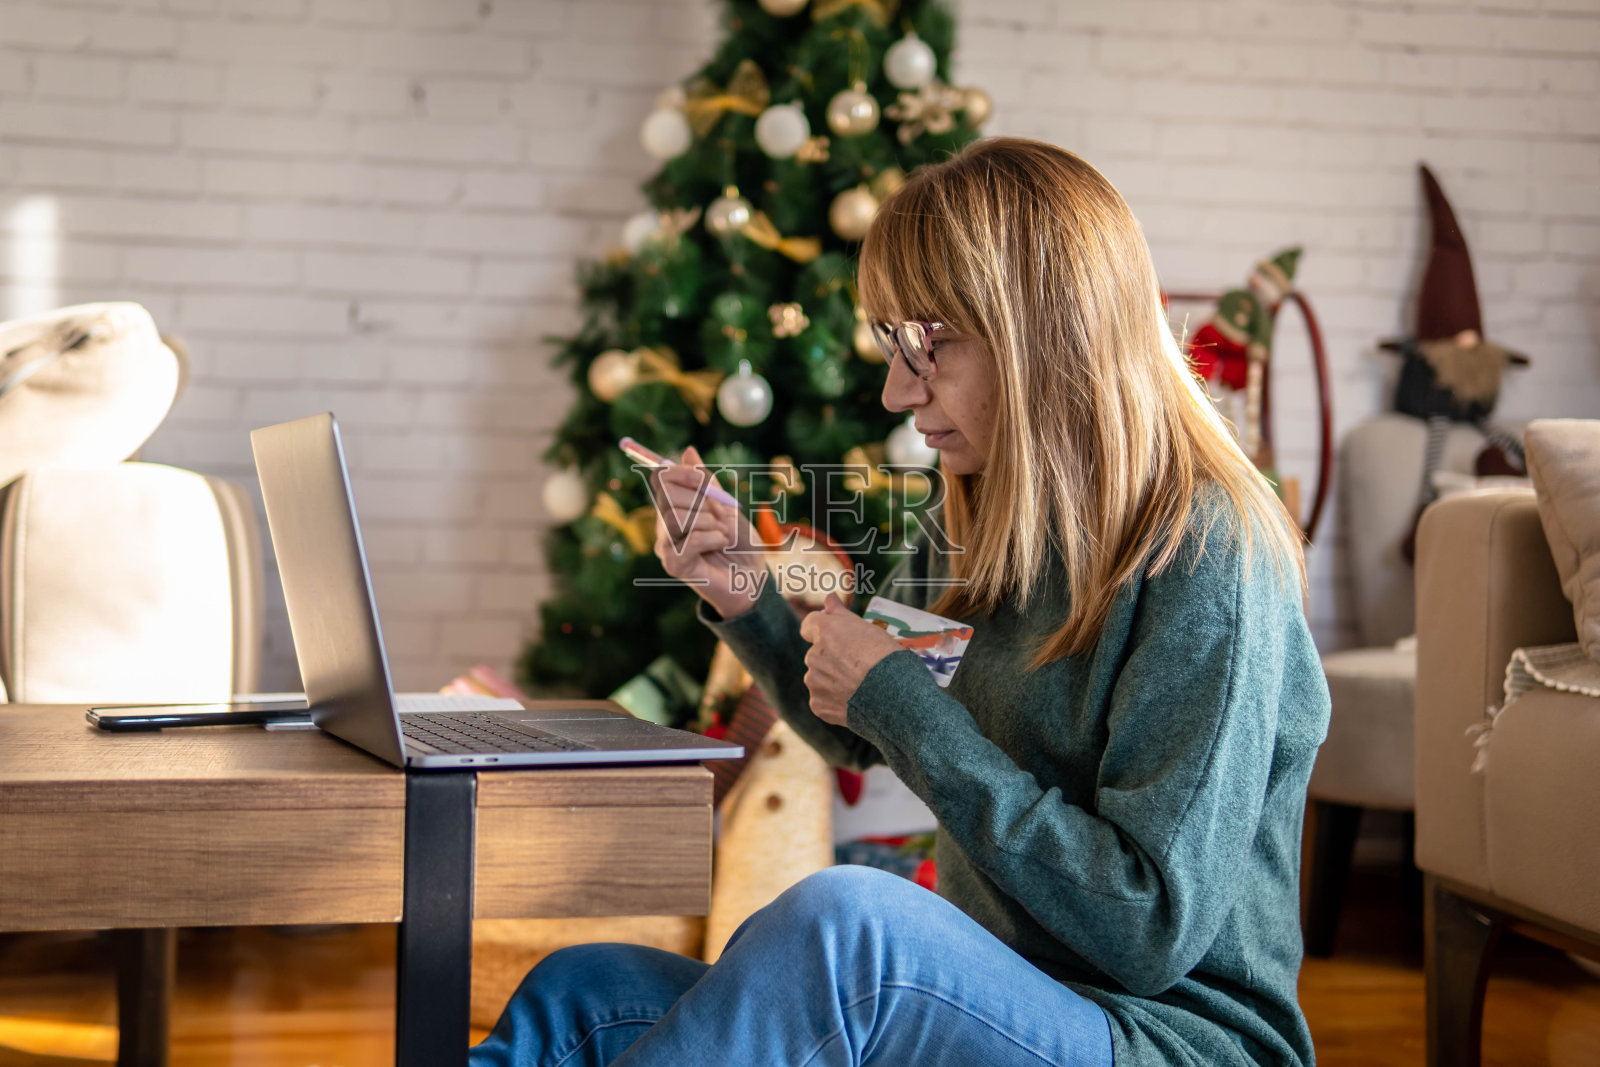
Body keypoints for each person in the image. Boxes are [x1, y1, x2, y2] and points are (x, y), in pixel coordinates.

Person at [472, 137, 1330, 1067]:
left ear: (1042, 329)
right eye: (891, 345)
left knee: (852, 929)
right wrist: (747, 593)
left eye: (926, 344)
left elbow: (1149, 925)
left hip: (1166, 1036)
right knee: (584, 987)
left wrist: (901, 701)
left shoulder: (1209, 549)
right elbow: (862, 721)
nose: (895, 389)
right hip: (1002, 994)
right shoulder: (989, 510)